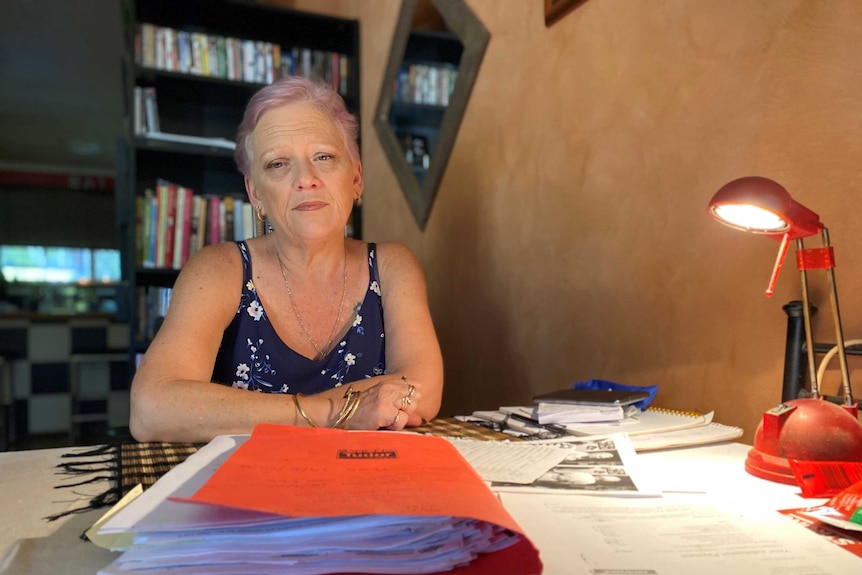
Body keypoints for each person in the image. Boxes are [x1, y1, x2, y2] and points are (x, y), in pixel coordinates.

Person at [129, 77, 443, 443]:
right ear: (255, 193)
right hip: (243, 487)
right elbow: (152, 408)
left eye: (323, 157)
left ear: (356, 177)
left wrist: (247, 412)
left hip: (364, 483)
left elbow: (421, 393)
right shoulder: (219, 270)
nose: (305, 179)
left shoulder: (392, 265)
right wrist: (332, 411)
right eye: (278, 164)